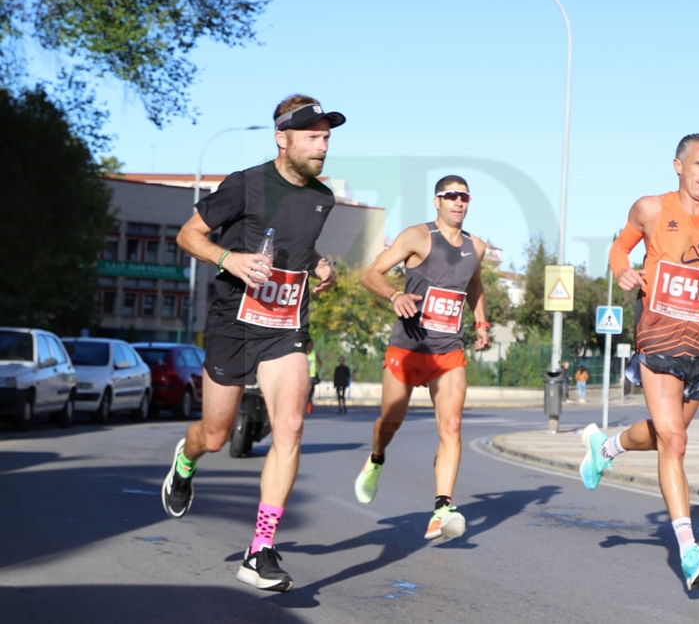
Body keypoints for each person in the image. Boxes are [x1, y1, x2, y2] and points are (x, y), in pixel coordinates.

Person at [161, 94, 344, 593]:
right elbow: (189, 235)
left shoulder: (322, 198)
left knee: (290, 427)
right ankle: (186, 459)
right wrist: (230, 260)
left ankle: (259, 549)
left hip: (285, 329)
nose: (322, 145)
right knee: (216, 436)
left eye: (327, 136)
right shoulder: (245, 184)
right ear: (282, 138)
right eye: (312, 135)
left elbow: (295, 246)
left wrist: (319, 264)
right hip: (233, 325)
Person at [578, 133, 699, 591]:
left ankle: (607, 447)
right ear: (678, 166)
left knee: (666, 439)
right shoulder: (651, 209)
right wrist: (623, 270)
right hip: (657, 337)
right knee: (675, 443)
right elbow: (620, 249)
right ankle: (690, 553)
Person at [354, 175, 490, 542]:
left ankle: (442, 508)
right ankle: (377, 457)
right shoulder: (417, 237)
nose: (458, 203)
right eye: (451, 196)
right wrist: (394, 295)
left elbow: (474, 285)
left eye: (464, 197)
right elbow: (370, 274)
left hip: (448, 350)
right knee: (390, 423)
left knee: (451, 427)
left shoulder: (476, 246)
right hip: (408, 346)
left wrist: (481, 322)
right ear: (437, 201)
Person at [306, 340, 319, 414]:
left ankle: (309, 407)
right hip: (304, 375)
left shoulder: (314, 354)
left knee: (309, 392)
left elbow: (320, 362)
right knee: (305, 392)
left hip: (312, 376)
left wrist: (317, 369)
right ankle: (307, 405)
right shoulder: (303, 354)